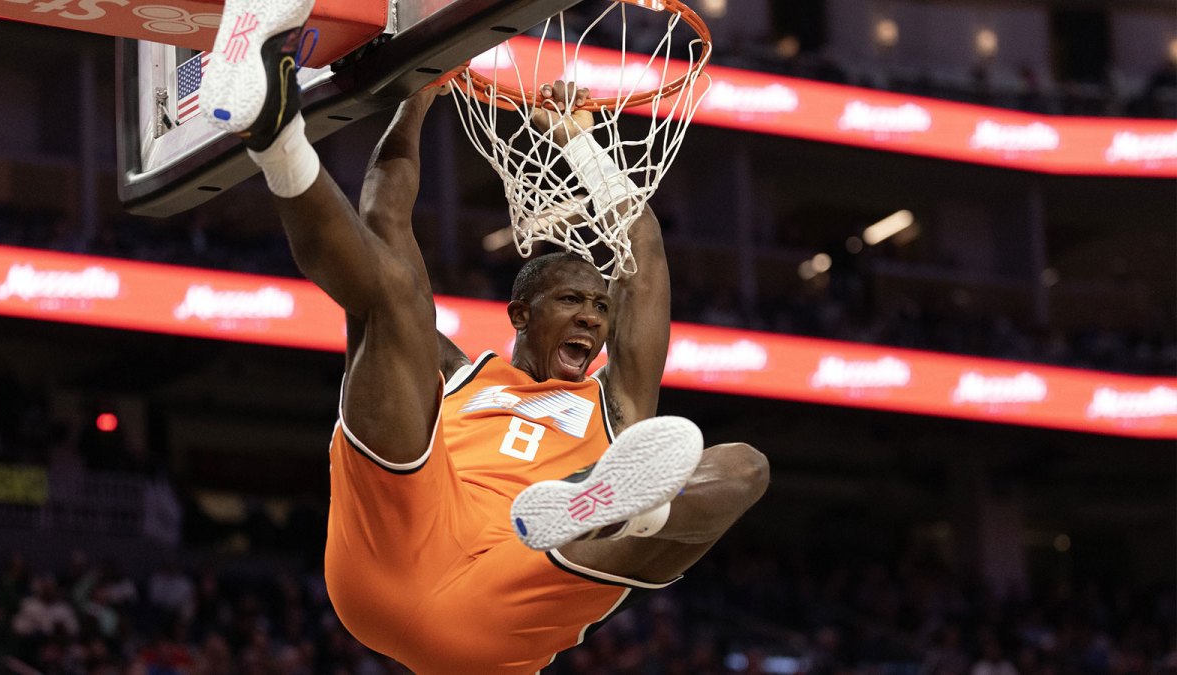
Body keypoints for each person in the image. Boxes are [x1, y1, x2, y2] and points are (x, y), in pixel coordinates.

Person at [201, 0, 769, 670]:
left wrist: (578, 139)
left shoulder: (617, 407)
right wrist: (419, 90)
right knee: (395, 299)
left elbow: (643, 257)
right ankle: (272, 131)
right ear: (521, 314)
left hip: (507, 592)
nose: (592, 315)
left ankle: (616, 511)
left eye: (599, 306)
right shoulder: (457, 370)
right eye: (571, 300)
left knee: (745, 466)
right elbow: (386, 213)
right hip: (398, 548)